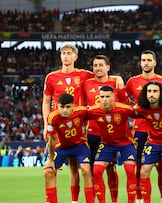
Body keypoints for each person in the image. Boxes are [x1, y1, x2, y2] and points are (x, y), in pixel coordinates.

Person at [42, 44, 123, 202]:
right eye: (63, 53)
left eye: (69, 53)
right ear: (60, 56)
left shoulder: (85, 75)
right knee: (58, 169)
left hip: (78, 125)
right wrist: (46, 124)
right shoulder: (51, 77)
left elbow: (102, 76)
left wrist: (117, 77)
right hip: (58, 127)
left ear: (75, 57)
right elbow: (46, 102)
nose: (66, 56)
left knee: (80, 168)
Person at [125, 50, 162, 203]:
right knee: (138, 165)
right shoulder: (132, 82)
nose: (146, 63)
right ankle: (139, 199)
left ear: (155, 62)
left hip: (159, 131)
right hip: (139, 130)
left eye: (149, 60)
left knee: (160, 166)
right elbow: (124, 102)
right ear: (140, 62)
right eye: (143, 60)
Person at [83, 55, 129, 202]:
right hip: (94, 133)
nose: (97, 68)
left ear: (108, 67)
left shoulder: (116, 84)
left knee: (111, 168)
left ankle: (114, 200)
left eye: (101, 65)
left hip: (113, 135)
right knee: (93, 170)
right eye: (95, 65)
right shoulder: (87, 83)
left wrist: (118, 78)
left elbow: (126, 106)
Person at [87, 85, 137, 203]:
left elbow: (141, 113)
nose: (104, 99)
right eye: (102, 97)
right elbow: (76, 114)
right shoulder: (93, 110)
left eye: (107, 96)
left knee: (130, 170)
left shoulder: (124, 109)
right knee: (96, 171)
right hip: (107, 144)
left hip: (126, 143)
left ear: (114, 97)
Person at [43, 93, 94, 203]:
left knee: (86, 170)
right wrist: (50, 159)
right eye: (62, 107)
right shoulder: (53, 117)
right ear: (57, 105)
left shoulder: (82, 111)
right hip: (60, 147)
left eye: (68, 107)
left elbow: (96, 111)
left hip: (79, 145)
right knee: (48, 172)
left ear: (73, 106)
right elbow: (51, 139)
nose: (65, 110)